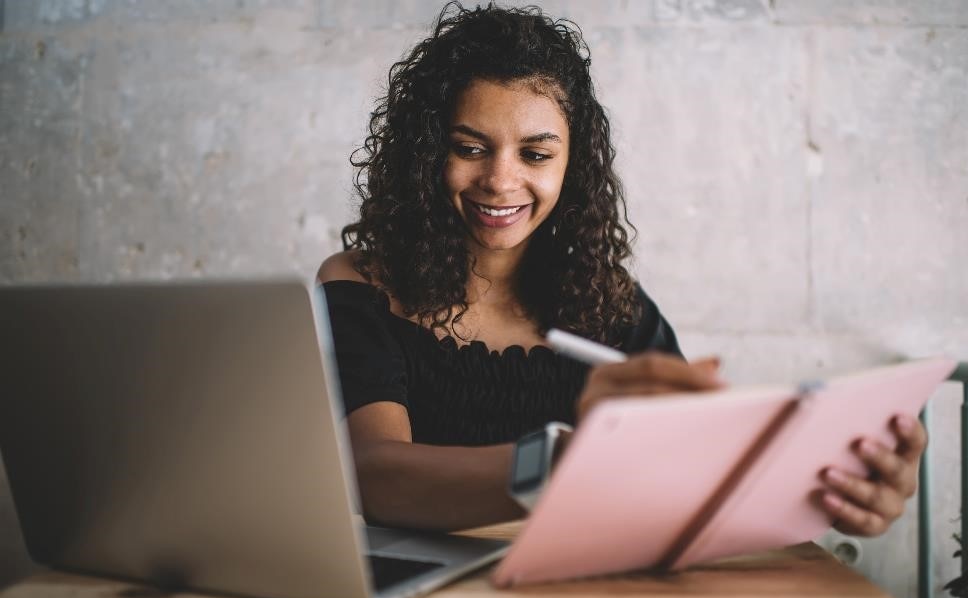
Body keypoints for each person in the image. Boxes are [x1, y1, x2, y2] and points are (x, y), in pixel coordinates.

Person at [317, 2, 925, 537]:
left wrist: (832, 489)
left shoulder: (610, 304)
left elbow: (699, 471)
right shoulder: (359, 287)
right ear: (426, 153)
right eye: (469, 148)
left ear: (572, 164)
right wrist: (574, 462)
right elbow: (378, 477)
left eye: (536, 153)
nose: (501, 180)